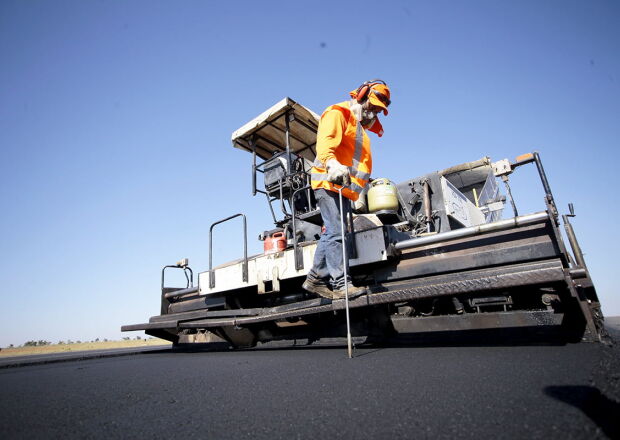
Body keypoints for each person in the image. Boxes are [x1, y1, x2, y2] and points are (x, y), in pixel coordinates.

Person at [302, 79, 391, 300]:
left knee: (334, 231)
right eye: (373, 106)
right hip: (328, 182)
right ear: (361, 96)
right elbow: (325, 142)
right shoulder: (338, 112)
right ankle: (341, 284)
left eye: (378, 110)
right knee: (337, 232)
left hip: (341, 187)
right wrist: (331, 163)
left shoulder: (357, 125)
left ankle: (315, 279)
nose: (374, 113)